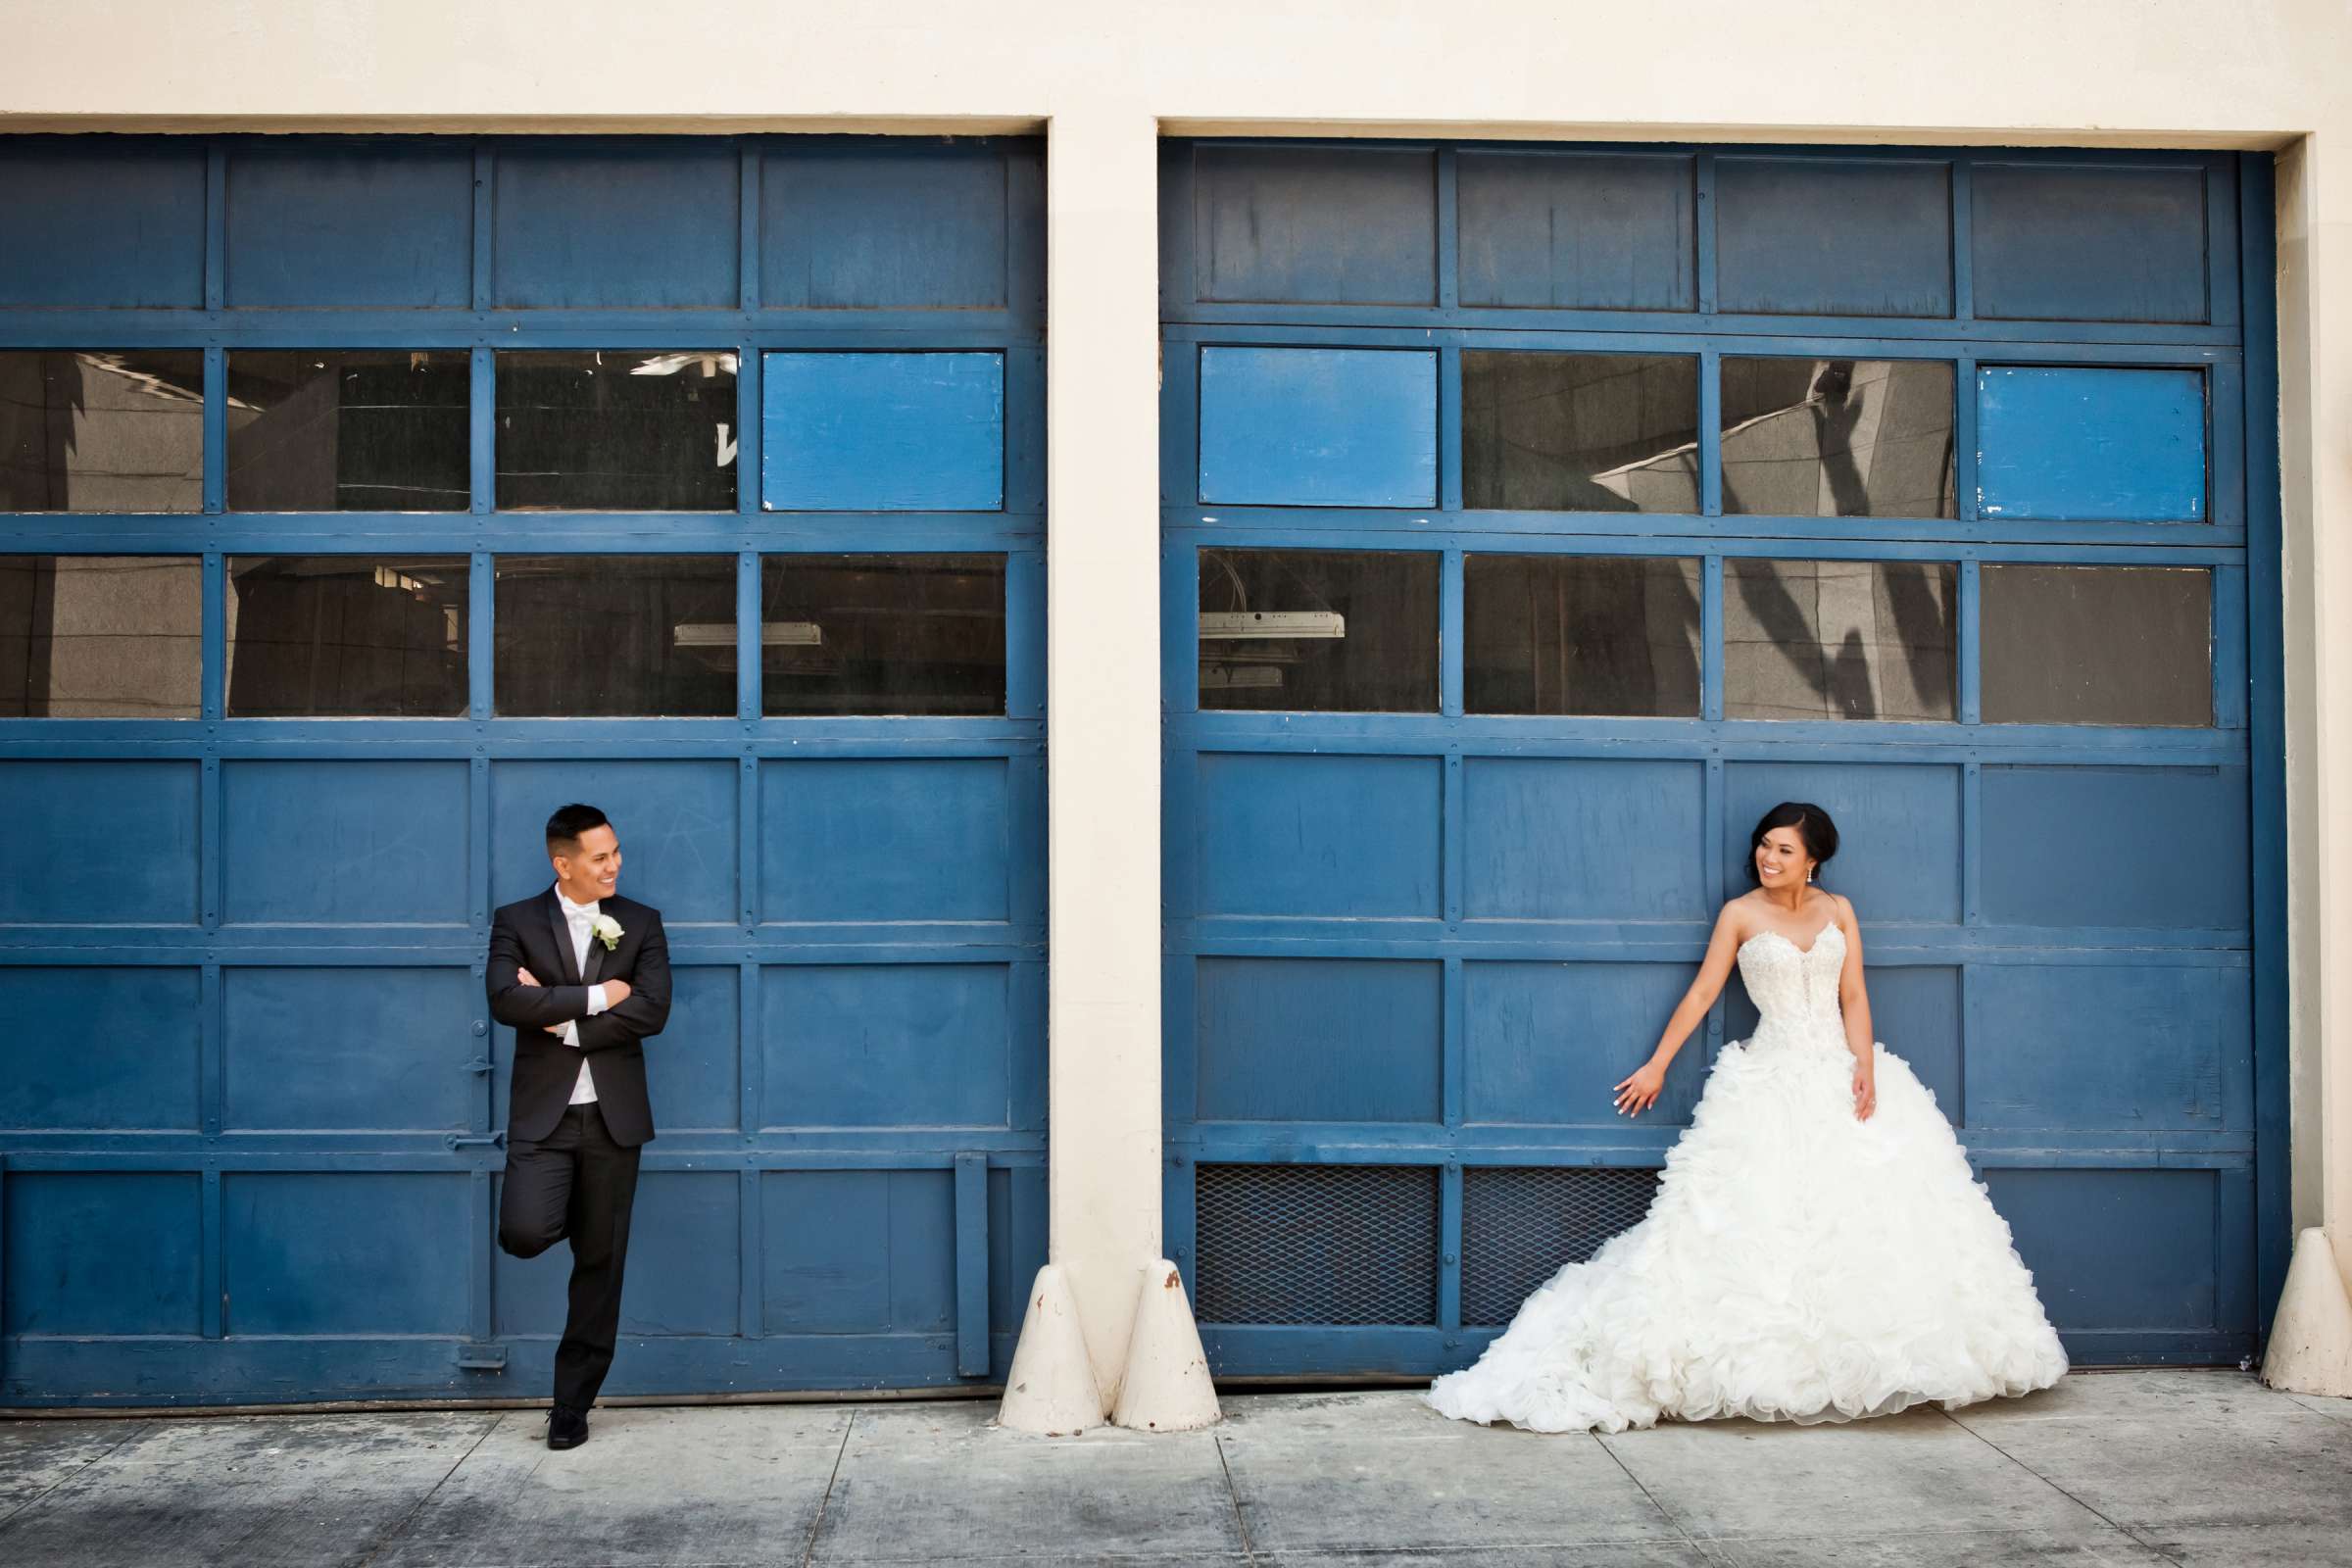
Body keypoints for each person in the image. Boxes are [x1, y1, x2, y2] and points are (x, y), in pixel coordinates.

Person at [1427, 802, 2067, 1433]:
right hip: (1771, 1078)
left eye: (1785, 849)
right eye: (1765, 845)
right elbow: (1704, 991)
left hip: (1842, 1075)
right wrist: (1656, 1065)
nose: (1769, 857)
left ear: (1813, 859)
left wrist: (1864, 1064)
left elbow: (1853, 993)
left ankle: (1875, 1363)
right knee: (1760, 1221)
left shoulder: (1838, 910)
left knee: (1872, 1216)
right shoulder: (1740, 914)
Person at [486, 803, 671, 1450]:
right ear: (562, 863)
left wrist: (560, 1017)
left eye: (616, 851)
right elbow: (507, 1000)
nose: (615, 864)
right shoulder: (516, 921)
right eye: (600, 857)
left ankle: (572, 1403)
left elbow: (651, 1011)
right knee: (524, 1230)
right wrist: (599, 996)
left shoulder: (640, 922)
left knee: (601, 1262)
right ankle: (561, 1206)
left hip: (614, 1121)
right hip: (545, 1118)